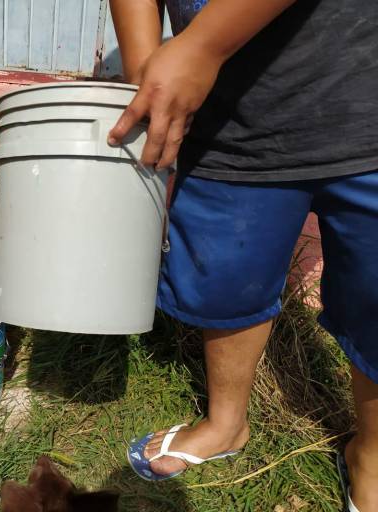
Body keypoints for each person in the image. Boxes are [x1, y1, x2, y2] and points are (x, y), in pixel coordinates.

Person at [106, 1, 378, 510]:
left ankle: (374, 458)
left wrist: (202, 44)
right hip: (229, 125)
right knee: (227, 280)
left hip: (363, 95)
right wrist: (147, 73)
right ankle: (226, 423)